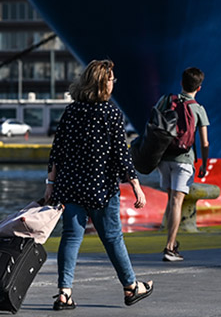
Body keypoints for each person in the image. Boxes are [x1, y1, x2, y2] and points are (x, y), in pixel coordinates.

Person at [45, 59, 153, 310]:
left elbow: (57, 151)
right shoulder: (111, 112)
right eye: (112, 79)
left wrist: (50, 184)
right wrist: (136, 185)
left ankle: (64, 292)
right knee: (113, 238)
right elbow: (120, 154)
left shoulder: (71, 112)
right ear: (103, 84)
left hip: (71, 187)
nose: (114, 83)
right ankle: (130, 287)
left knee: (71, 238)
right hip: (101, 188)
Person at [156, 67, 210, 262]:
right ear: (199, 88)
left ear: (181, 83)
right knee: (177, 202)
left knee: (171, 201)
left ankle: (173, 241)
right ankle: (170, 247)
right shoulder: (198, 109)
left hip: (164, 159)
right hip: (184, 160)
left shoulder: (166, 101)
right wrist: (204, 164)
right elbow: (204, 142)